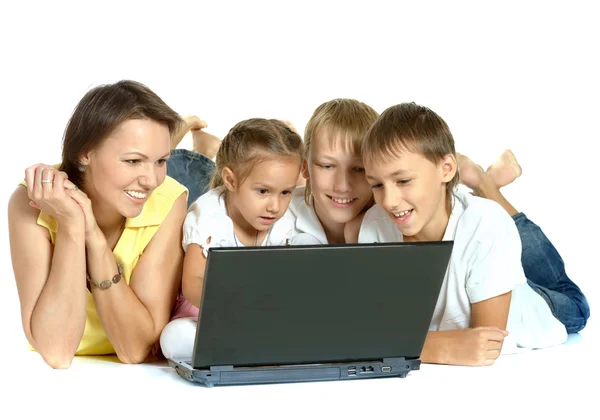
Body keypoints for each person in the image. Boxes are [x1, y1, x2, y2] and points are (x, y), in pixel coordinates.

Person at [356, 102, 590, 366]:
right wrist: (436, 347)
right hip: (479, 258)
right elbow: (373, 329)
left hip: (534, 308)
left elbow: (485, 344)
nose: (389, 201)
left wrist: (400, 344)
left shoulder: (486, 222)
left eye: (403, 181)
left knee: (576, 304)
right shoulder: (375, 223)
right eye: (376, 184)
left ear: (445, 168)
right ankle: (484, 184)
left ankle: (485, 184)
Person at [7, 80, 197, 368]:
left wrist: (93, 237)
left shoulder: (169, 198)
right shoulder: (30, 202)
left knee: (209, 180)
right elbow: (57, 351)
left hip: (188, 195)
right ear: (85, 152)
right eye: (133, 160)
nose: (151, 179)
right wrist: (71, 224)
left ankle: (197, 147)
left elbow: (134, 350)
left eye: (160, 161)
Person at [159, 118, 303, 360]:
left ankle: (208, 150)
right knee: (174, 339)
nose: (275, 206)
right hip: (209, 310)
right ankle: (203, 150)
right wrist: (236, 308)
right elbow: (193, 283)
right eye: (263, 191)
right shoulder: (208, 216)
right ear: (231, 180)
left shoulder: (287, 214)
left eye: (286, 192)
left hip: (260, 316)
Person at [288, 98, 379, 245]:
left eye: (359, 169)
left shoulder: (397, 222)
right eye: (327, 166)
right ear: (305, 167)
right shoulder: (275, 220)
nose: (342, 186)